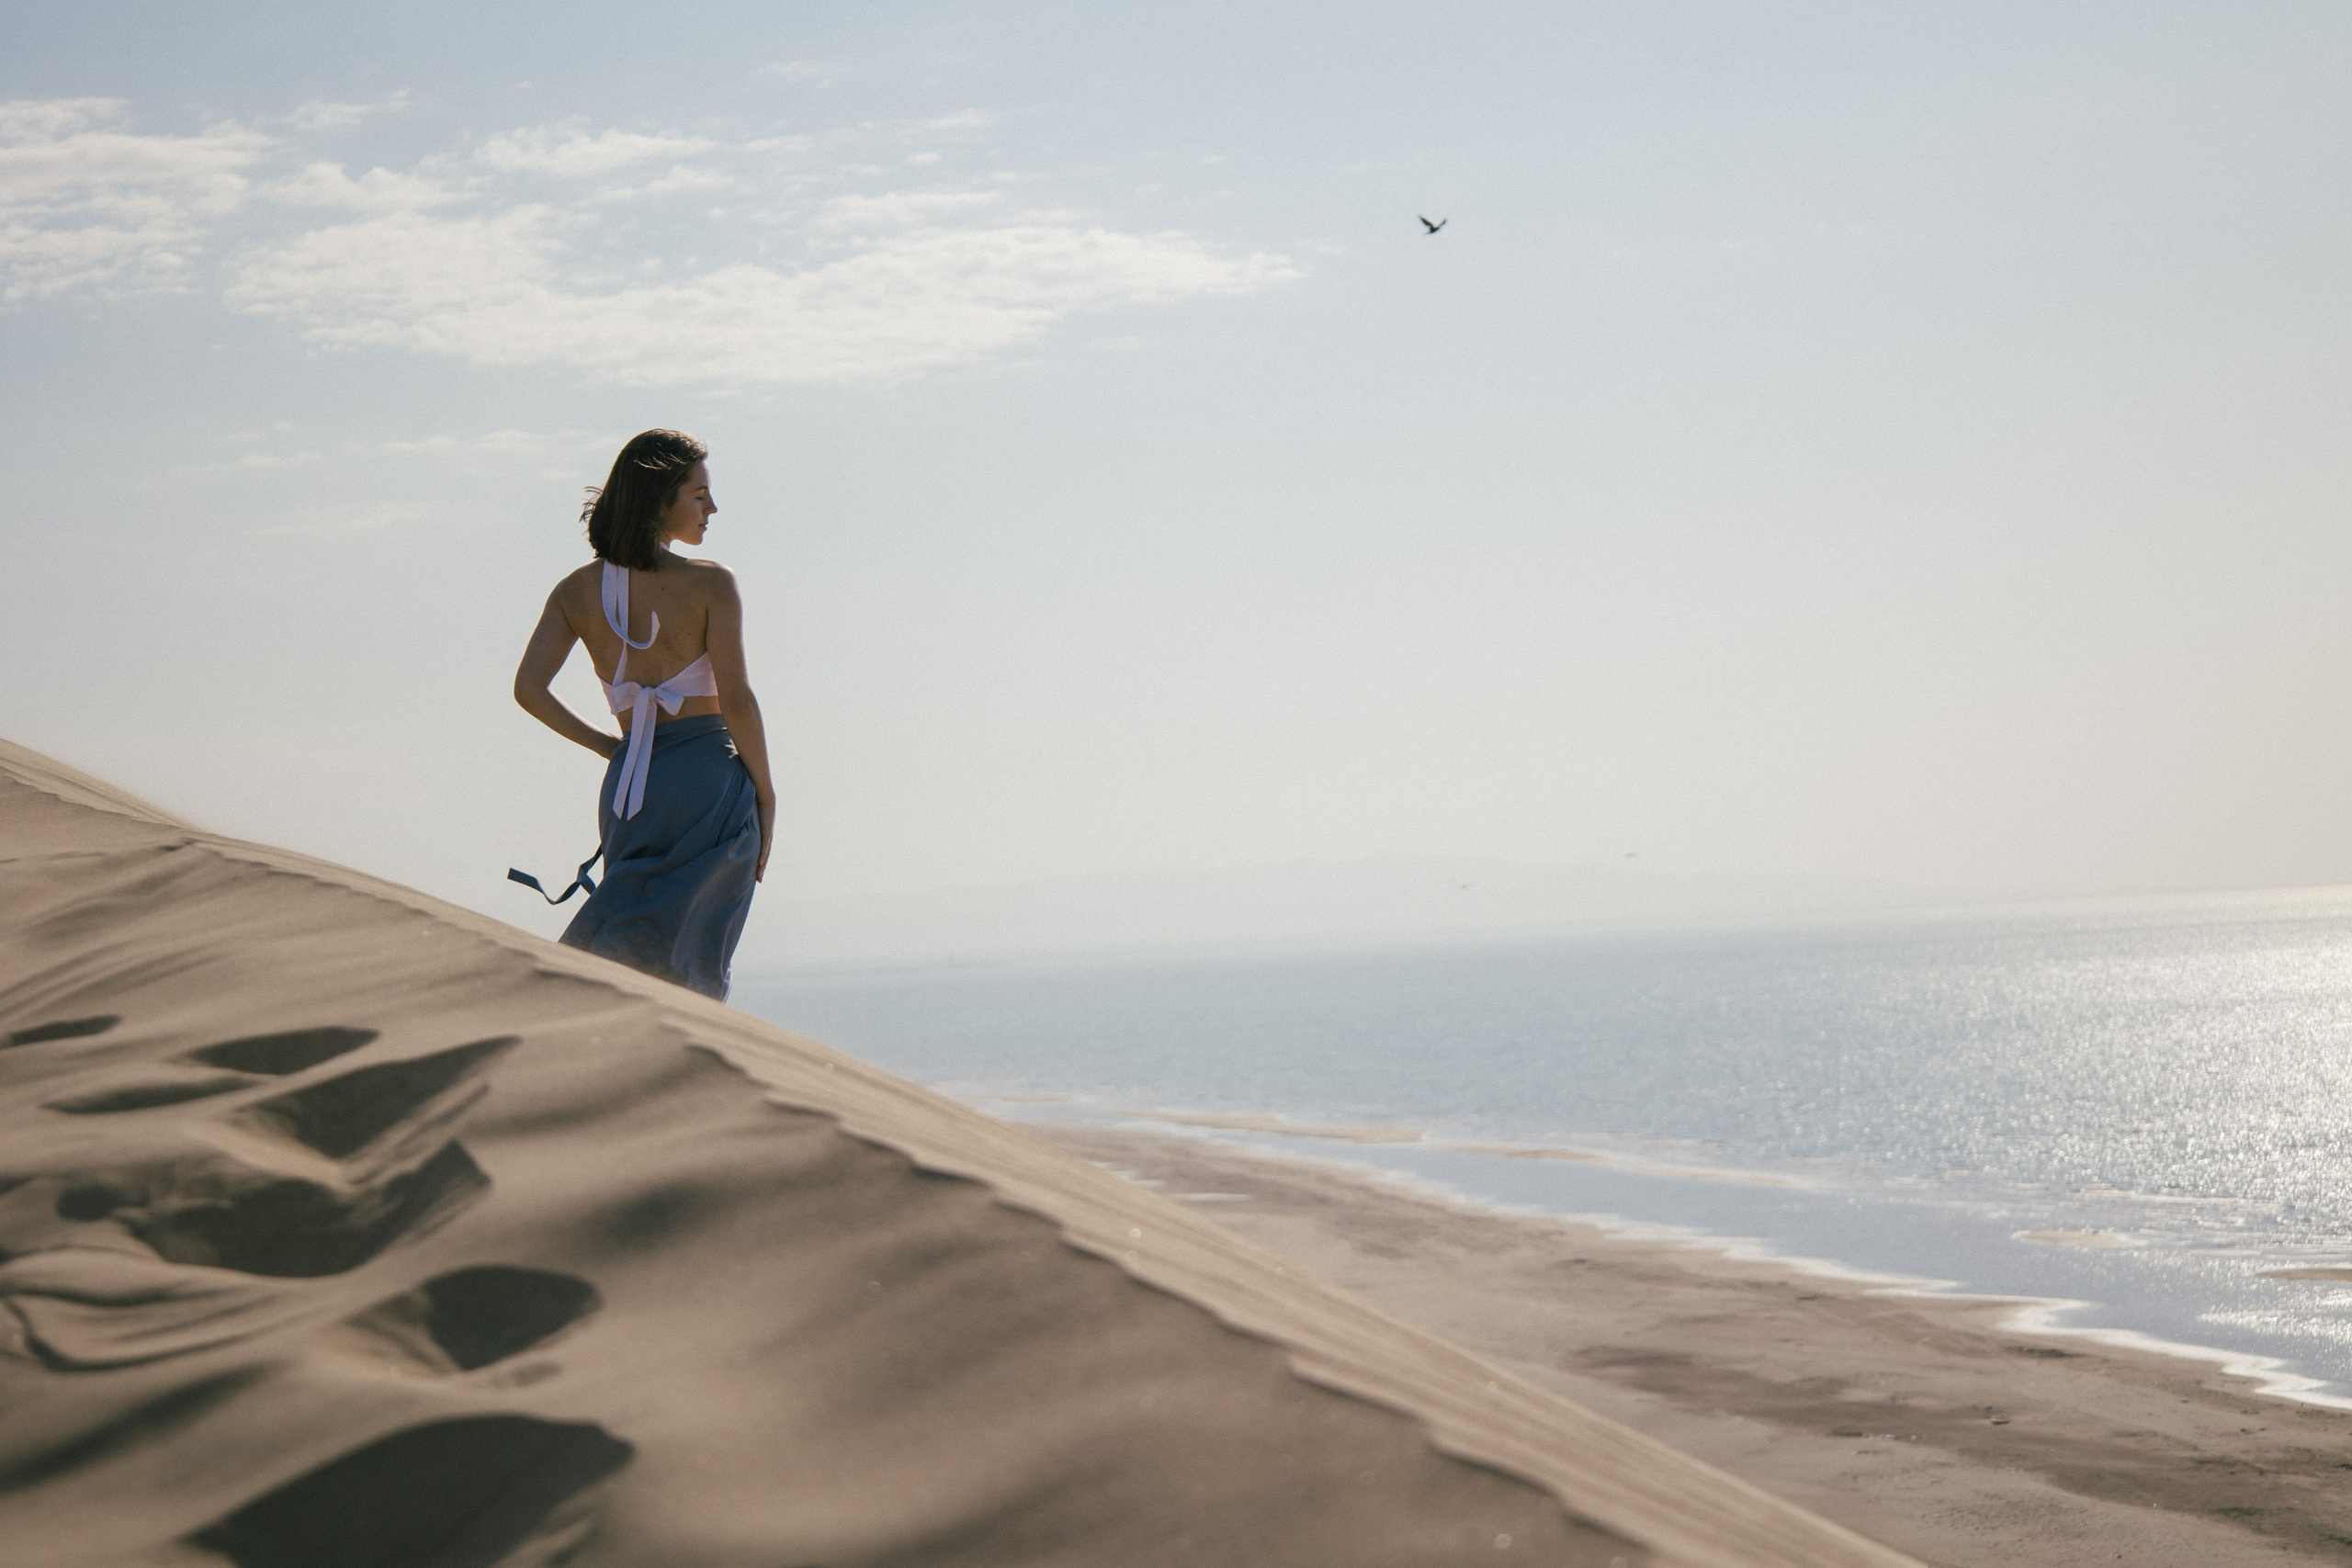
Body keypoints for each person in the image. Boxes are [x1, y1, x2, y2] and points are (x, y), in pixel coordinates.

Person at [510, 429, 775, 999]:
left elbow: (528, 689)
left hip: (632, 785)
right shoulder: (712, 582)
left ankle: (570, 1021)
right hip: (709, 784)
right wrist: (768, 794)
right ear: (659, 500)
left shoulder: (574, 591)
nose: (712, 508)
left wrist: (610, 747)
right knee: (692, 960)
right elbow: (737, 700)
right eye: (699, 495)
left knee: (625, 946)